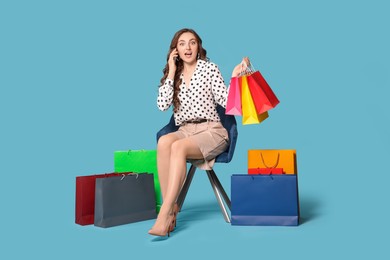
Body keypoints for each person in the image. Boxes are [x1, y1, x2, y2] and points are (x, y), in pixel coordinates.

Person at [149, 28, 249, 237]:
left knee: (178, 147)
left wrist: (235, 76)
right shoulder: (173, 75)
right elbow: (161, 105)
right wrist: (171, 70)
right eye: (182, 43)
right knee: (164, 142)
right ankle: (171, 211)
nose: (188, 47)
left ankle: (165, 212)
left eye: (192, 42)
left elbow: (227, 101)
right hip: (186, 129)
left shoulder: (209, 69)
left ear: (198, 47)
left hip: (212, 130)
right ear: (175, 50)